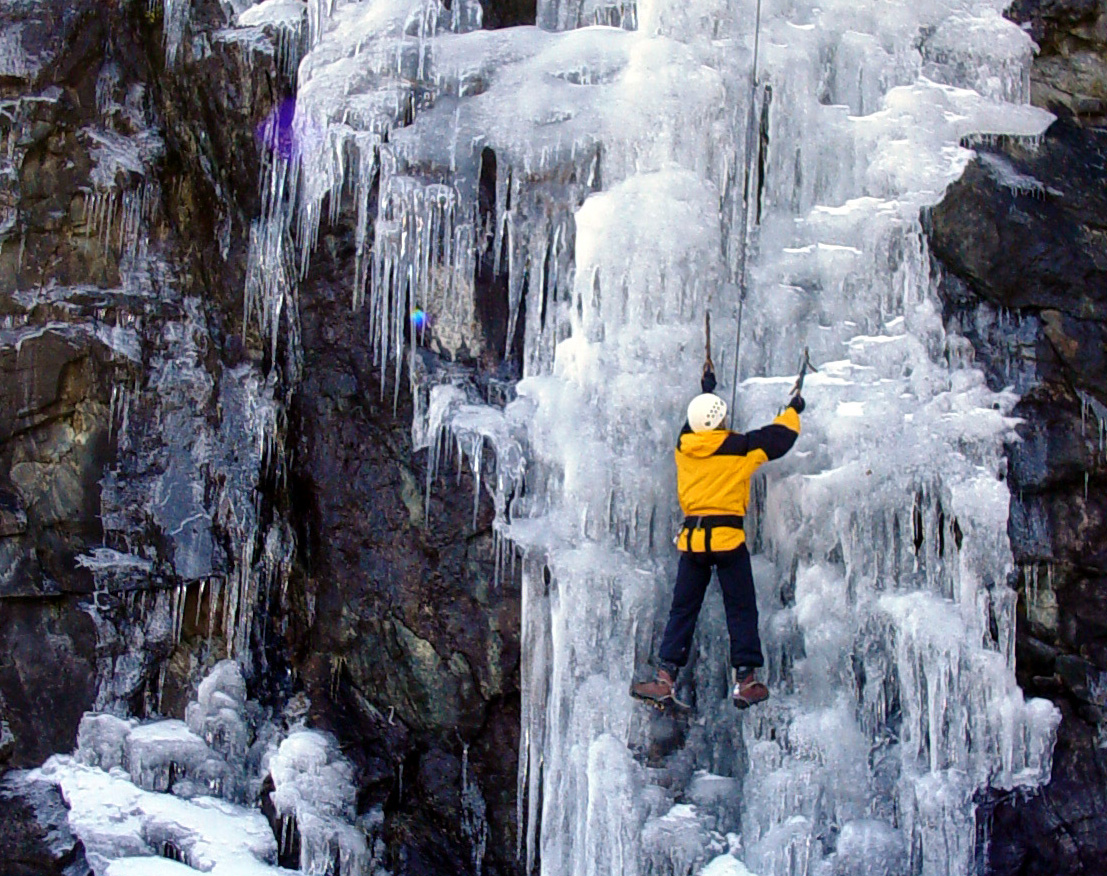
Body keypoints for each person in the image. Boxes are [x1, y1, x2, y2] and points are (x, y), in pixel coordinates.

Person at [631, 359, 803, 710]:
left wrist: (706, 390)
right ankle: (745, 680)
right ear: (720, 422)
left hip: (692, 543)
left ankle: (665, 678)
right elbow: (780, 438)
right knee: (740, 608)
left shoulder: (684, 449)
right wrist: (793, 409)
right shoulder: (740, 447)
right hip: (727, 541)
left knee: (682, 610)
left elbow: (689, 427)